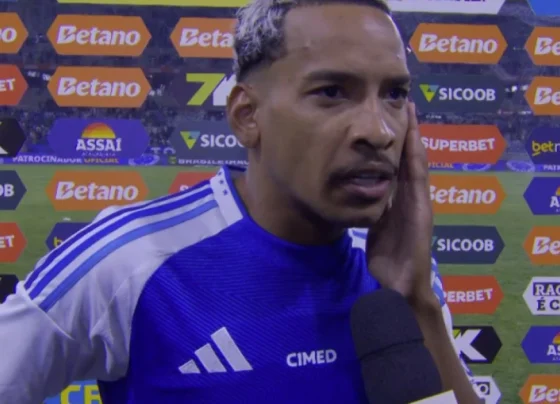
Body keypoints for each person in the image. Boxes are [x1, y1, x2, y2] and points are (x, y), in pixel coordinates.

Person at [0, 0, 481, 403]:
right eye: (332, 92)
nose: (378, 130)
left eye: (395, 94)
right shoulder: (131, 260)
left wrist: (417, 302)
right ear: (246, 115)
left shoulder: (400, 266)